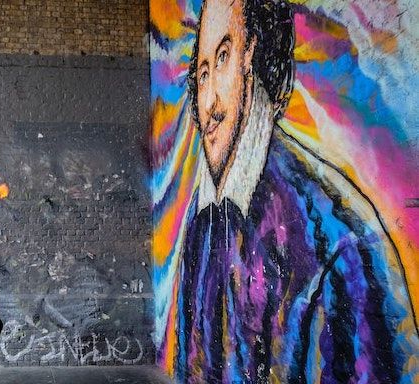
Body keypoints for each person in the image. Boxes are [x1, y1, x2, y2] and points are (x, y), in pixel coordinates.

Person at [176, 0, 419, 382]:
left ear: (251, 55)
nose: (209, 104)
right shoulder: (201, 225)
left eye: (222, 57)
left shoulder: (338, 244)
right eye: (202, 74)